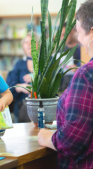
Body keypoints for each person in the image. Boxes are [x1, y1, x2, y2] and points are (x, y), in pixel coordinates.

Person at [38, 1, 93, 168]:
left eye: (79, 32)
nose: (79, 39)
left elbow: (72, 140)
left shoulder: (86, 74)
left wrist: (46, 137)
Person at [6, 32, 39, 123]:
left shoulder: (47, 63)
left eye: (32, 41)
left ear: (38, 44)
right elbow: (9, 87)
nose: (29, 44)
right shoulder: (19, 64)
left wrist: (34, 78)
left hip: (43, 107)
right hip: (22, 108)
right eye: (26, 42)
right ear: (23, 46)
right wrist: (20, 87)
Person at [59, 22, 81, 92]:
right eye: (60, 35)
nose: (62, 38)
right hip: (63, 89)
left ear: (71, 32)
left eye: (63, 34)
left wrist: (78, 70)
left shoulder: (81, 49)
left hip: (77, 88)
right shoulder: (60, 51)